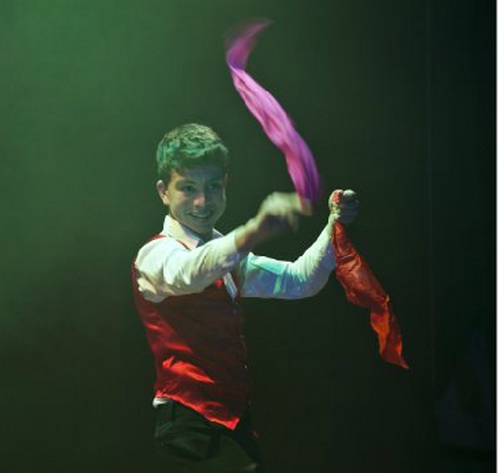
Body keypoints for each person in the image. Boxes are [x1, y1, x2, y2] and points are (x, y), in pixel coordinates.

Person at [131, 123, 359, 472]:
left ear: (226, 185)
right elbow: (191, 271)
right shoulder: (155, 256)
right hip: (188, 429)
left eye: (213, 186)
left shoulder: (230, 258)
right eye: (188, 188)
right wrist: (254, 231)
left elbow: (298, 281)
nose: (202, 201)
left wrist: (334, 225)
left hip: (231, 423)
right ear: (163, 191)